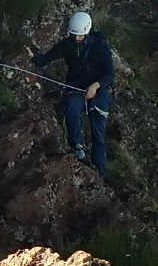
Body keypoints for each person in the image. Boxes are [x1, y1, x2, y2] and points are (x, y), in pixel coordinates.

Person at [26, 11, 115, 177]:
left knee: (98, 135)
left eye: (80, 36)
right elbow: (46, 59)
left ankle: (100, 173)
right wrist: (35, 57)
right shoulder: (67, 45)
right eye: (74, 35)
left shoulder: (100, 46)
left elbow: (110, 74)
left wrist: (95, 86)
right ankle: (78, 147)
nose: (76, 39)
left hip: (99, 91)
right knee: (71, 108)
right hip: (76, 88)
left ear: (87, 32)